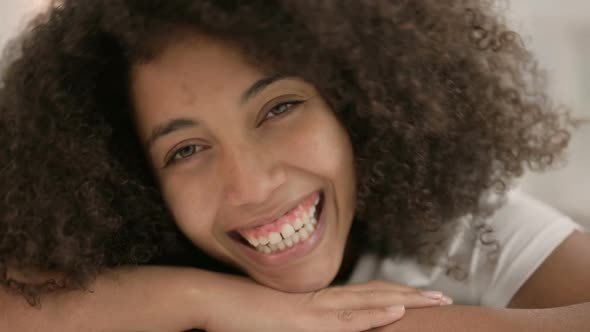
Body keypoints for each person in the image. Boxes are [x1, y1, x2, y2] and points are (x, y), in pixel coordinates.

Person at [1, 0, 589, 331]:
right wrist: (225, 305)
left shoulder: (468, 235)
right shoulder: (133, 275)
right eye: (185, 150)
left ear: (357, 105)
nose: (252, 186)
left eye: (278, 108)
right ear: (132, 181)